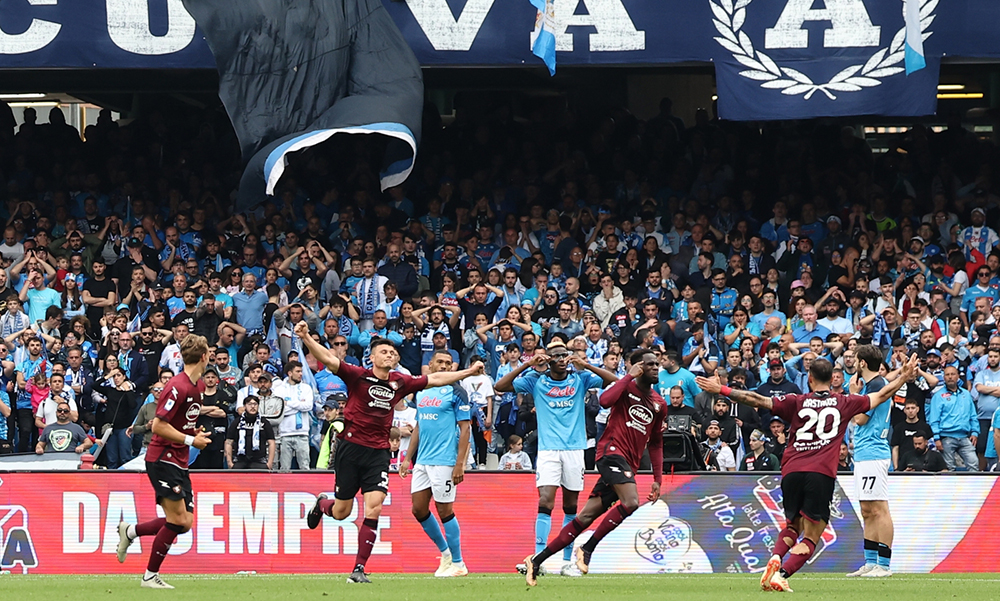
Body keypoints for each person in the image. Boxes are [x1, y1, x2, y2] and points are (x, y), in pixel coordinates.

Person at [696, 353, 917, 593]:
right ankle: (782, 573)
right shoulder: (844, 402)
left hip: (791, 471)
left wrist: (722, 390)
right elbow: (882, 394)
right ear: (832, 378)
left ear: (809, 379)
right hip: (820, 474)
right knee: (812, 536)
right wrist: (903, 376)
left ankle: (776, 556)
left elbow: (756, 399)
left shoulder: (795, 400)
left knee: (792, 525)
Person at [297, 321, 484, 583]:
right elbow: (328, 358)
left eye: (392, 353)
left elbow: (437, 379)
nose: (389, 355)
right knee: (342, 512)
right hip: (350, 449)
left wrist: (467, 371)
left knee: (373, 509)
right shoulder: (356, 375)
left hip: (378, 453)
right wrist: (306, 336)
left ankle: (358, 569)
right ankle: (322, 504)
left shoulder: (401, 382)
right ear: (372, 357)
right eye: (383, 352)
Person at [524, 350, 664, 586]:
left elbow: (657, 443)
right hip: (610, 453)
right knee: (630, 502)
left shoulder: (659, 404)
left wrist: (657, 479)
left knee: (585, 516)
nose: (655, 368)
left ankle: (536, 561)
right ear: (638, 366)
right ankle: (587, 549)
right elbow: (605, 401)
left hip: (629, 463)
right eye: (650, 364)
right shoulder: (625, 387)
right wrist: (627, 377)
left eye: (657, 364)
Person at [495, 339, 618, 577]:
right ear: (549, 359)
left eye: (565, 355)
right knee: (546, 501)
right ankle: (537, 558)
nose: (562, 359)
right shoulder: (536, 380)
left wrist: (587, 365)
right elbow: (501, 385)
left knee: (570, 506)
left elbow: (614, 380)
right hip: (548, 450)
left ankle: (565, 560)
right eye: (557, 356)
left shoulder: (580, 379)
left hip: (574, 449)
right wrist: (527, 364)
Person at [115, 334, 212, 589]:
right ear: (204, 357)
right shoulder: (177, 386)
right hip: (162, 458)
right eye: (209, 353)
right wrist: (191, 442)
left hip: (179, 459)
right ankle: (149, 576)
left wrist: (194, 433)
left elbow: (184, 422)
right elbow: (158, 426)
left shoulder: (198, 386)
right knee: (178, 521)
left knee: (185, 522)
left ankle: (131, 531)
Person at [399, 350, 473, 578]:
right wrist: (408, 458)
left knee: (444, 510)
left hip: (445, 460)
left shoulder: (456, 391)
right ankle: (446, 554)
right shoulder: (421, 390)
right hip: (423, 460)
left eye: (448, 363)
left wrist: (459, 463)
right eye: (439, 362)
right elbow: (419, 426)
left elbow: (465, 428)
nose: (443, 365)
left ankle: (459, 563)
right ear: (429, 365)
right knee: (418, 509)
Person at [847, 344, 895, 578]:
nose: (854, 363)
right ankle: (870, 561)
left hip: (874, 452)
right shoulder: (874, 385)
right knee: (867, 509)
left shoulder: (875, 385)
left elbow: (859, 418)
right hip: (866, 453)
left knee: (879, 508)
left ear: (863, 363)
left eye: (856, 359)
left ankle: (883, 565)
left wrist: (853, 395)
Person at [929, 365, 980, 471]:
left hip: (965, 436)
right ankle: (949, 488)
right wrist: (937, 438)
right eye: (947, 375)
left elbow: (973, 415)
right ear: (943, 377)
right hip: (946, 437)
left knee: (974, 463)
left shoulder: (966, 394)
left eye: (953, 374)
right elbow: (934, 419)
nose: (950, 377)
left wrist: (975, 432)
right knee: (948, 468)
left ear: (958, 377)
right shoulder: (938, 396)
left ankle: (972, 487)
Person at [277, 361, 315, 471]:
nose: (301, 374)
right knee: (284, 469)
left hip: (302, 433)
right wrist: (299, 403)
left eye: (301, 371)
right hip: (285, 433)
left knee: (305, 467)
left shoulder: (306, 388)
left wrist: (288, 403)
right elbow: (279, 410)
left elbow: (308, 406)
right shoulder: (279, 389)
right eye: (297, 371)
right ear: (289, 373)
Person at [225, 395, 276, 470]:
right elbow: (228, 442)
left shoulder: (264, 422)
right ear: (244, 406)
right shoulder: (236, 422)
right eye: (249, 404)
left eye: (255, 404)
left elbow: (271, 442)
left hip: (259, 461)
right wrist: (229, 463)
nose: (252, 407)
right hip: (240, 460)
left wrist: (270, 463)